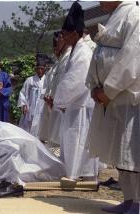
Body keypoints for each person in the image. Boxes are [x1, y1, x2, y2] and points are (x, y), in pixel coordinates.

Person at [86, 2, 140, 214]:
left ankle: (138, 202)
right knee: (120, 153)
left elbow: (132, 59)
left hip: (129, 97)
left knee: (133, 153)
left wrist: (108, 90)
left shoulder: (134, 14)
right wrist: (94, 85)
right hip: (113, 99)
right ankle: (129, 198)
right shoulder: (117, 15)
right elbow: (99, 54)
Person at [53, 2, 98, 182]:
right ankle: (75, 171)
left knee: (78, 140)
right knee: (73, 141)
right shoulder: (75, 51)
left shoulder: (83, 53)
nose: (63, 38)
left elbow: (75, 81)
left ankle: (78, 173)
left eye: (64, 34)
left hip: (79, 105)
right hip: (74, 105)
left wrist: (60, 100)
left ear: (74, 33)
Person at [47, 32, 71, 145]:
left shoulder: (70, 56)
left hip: (65, 104)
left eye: (60, 39)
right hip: (55, 102)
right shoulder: (60, 60)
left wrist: (58, 99)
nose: (55, 48)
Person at [17, 54, 46, 136]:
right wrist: (24, 104)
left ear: (45, 69)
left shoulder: (48, 80)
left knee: (40, 127)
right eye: (38, 69)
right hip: (30, 107)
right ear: (35, 69)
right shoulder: (30, 80)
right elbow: (23, 93)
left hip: (42, 107)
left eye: (42, 69)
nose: (40, 71)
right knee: (28, 127)